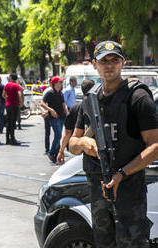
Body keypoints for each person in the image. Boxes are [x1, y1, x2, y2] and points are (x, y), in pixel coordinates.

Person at [69, 41, 158, 248]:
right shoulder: (90, 101)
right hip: (98, 190)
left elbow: (154, 146)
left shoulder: (138, 96)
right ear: (94, 65)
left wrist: (121, 174)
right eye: (104, 61)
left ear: (123, 63)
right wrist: (83, 142)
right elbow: (72, 144)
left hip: (128, 190)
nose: (109, 65)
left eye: (114, 60)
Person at [56, 80, 95, 164]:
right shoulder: (98, 107)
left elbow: (67, 133)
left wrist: (61, 151)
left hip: (78, 148)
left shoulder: (75, 108)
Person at [41, 76, 68, 163]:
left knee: (60, 136)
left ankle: (55, 154)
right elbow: (42, 103)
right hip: (54, 117)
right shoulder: (49, 92)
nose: (61, 84)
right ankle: (51, 153)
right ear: (55, 83)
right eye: (59, 82)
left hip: (62, 116)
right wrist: (51, 110)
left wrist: (67, 113)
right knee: (58, 135)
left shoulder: (60, 92)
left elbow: (63, 104)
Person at [2, 73, 23, 145]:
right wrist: (20, 102)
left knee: (8, 122)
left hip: (8, 105)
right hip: (15, 105)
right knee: (13, 122)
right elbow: (19, 94)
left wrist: (7, 99)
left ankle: (7, 139)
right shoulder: (17, 85)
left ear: (11, 77)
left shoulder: (7, 85)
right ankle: (12, 138)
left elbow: (3, 95)